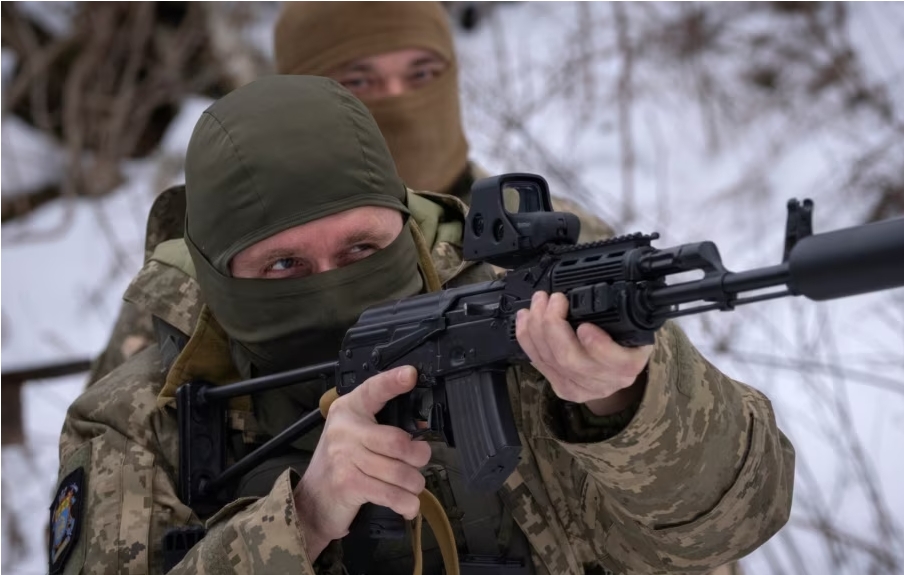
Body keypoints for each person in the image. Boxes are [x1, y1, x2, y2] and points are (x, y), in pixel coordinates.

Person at [55, 76, 794, 575]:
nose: (332, 282)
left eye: (362, 248)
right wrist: (300, 519)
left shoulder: (523, 301)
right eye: (281, 266)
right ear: (218, 275)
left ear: (405, 225)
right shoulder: (135, 422)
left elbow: (738, 519)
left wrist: (625, 407)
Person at [84, 1, 615, 387]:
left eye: (422, 72)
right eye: (359, 82)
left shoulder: (555, 229)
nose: (399, 101)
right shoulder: (207, 284)